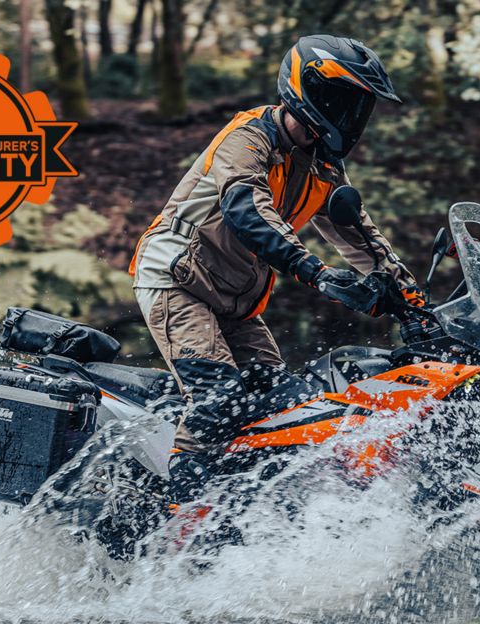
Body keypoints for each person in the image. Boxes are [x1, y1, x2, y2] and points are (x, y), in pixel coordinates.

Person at [128, 34, 425, 502]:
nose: (351, 115)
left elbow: (361, 238)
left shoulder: (323, 167)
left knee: (282, 403)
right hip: (177, 281)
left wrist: (416, 308)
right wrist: (317, 272)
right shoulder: (248, 137)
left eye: (359, 106)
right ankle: (178, 504)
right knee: (219, 396)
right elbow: (247, 209)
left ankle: (245, 502)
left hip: (233, 299)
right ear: (307, 89)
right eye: (343, 99)